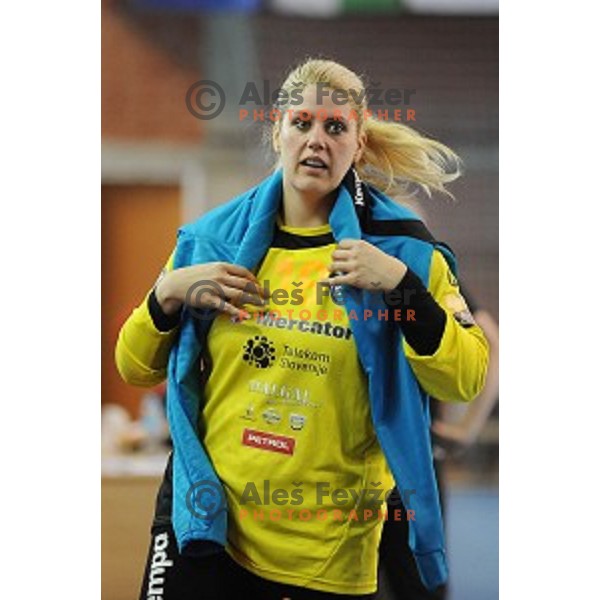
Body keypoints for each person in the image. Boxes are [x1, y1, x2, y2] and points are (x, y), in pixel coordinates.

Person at [115, 58, 489, 600]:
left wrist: (403, 287)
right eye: (303, 123)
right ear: (278, 131)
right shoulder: (209, 240)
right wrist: (167, 294)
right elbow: (133, 365)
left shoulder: (405, 252)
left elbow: (466, 378)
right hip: (207, 529)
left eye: (336, 128)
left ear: (358, 144)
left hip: (327, 550)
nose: (317, 139)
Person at [377, 297, 499, 600]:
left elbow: (490, 340)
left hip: (402, 469)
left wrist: (467, 428)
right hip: (404, 465)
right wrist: (467, 429)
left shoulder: (423, 263)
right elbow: (492, 339)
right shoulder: (417, 261)